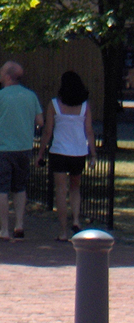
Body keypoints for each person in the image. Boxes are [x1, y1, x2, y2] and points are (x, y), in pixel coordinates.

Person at [0, 61, 43, 241]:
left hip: (3, 149)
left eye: (2, 70)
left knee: (1, 188)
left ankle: (4, 229)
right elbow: (40, 121)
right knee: (20, 187)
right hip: (24, 148)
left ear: (8, 76)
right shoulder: (31, 96)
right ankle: (19, 224)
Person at [35, 71, 96, 241]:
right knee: (75, 188)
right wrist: (93, 154)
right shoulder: (84, 106)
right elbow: (89, 131)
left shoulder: (54, 104)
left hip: (59, 151)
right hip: (78, 152)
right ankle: (76, 219)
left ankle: (63, 231)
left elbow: (48, 131)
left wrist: (41, 152)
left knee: (61, 191)